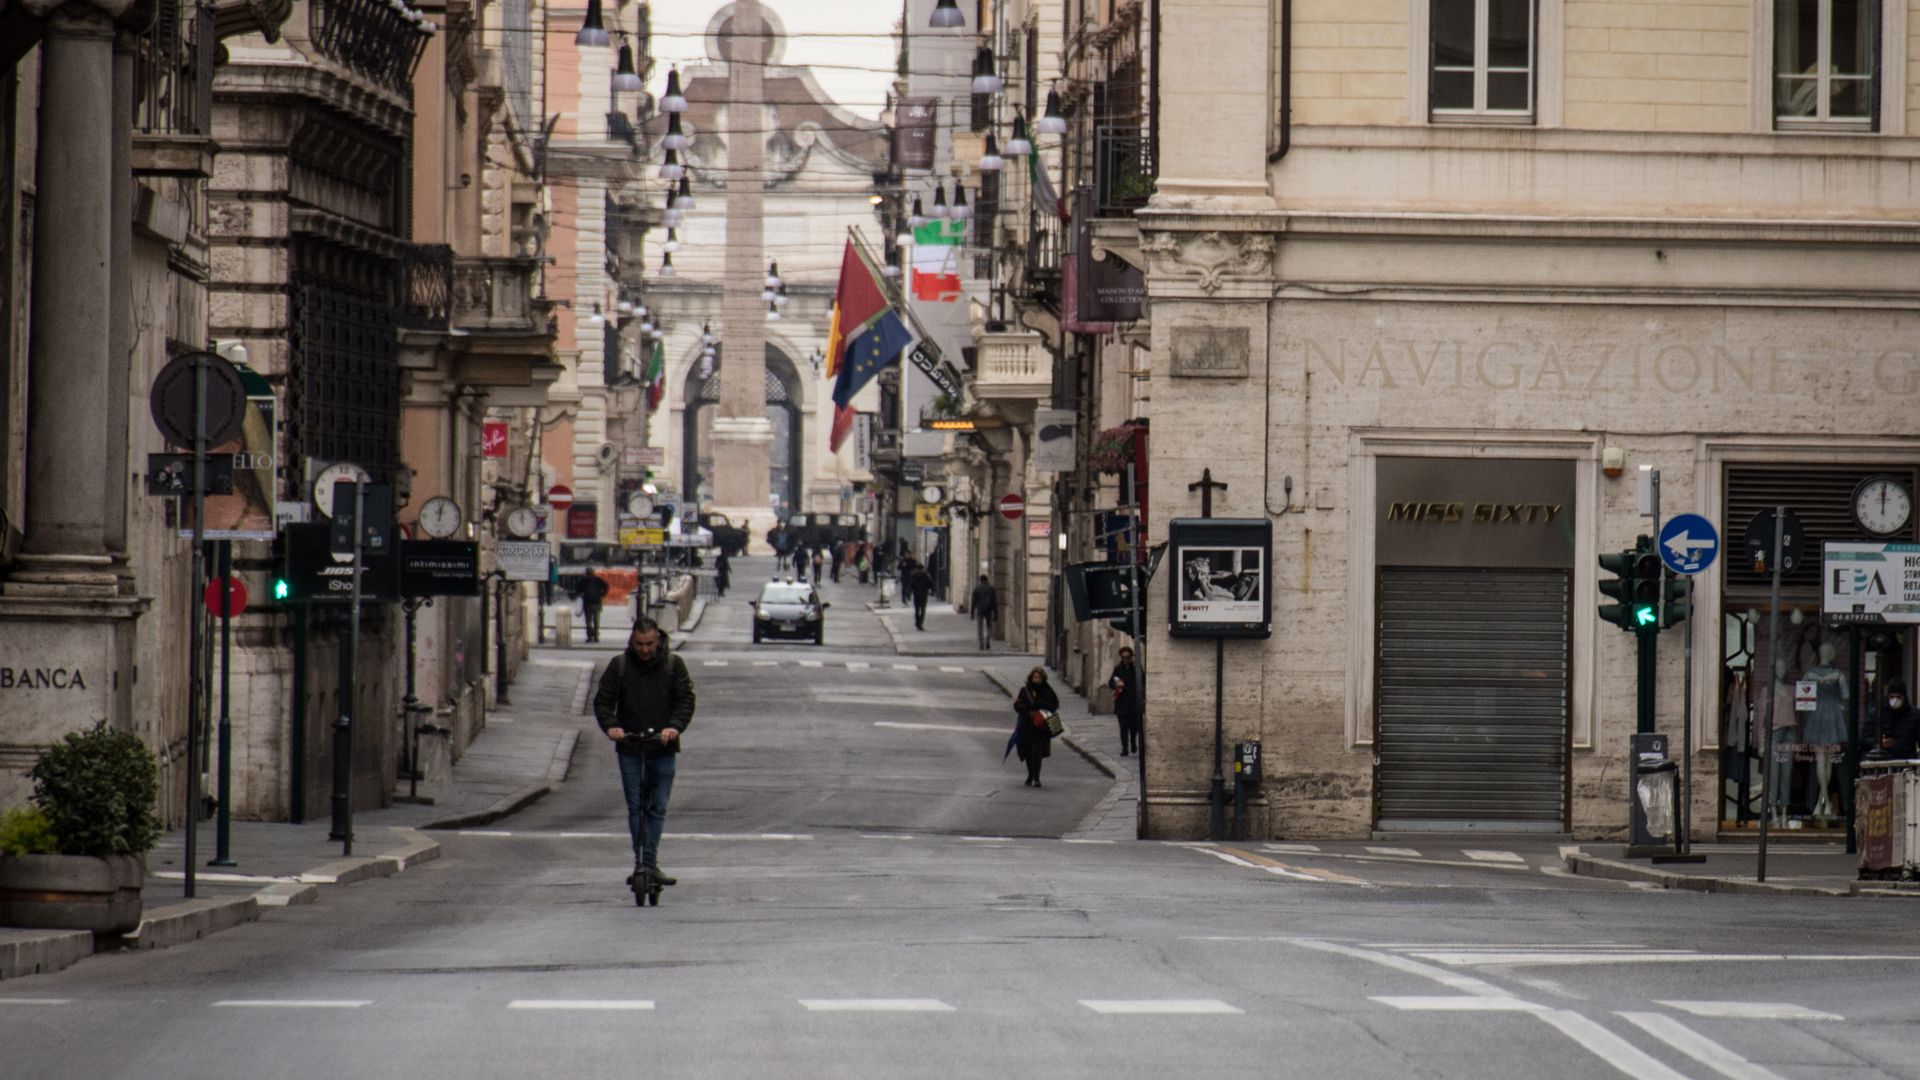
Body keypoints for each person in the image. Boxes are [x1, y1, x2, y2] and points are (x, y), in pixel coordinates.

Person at [593, 618, 695, 889]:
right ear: (632, 641)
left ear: (658, 640)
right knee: (636, 806)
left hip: (662, 747)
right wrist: (612, 726)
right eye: (640, 644)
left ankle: (649, 861)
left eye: (650, 644)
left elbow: (685, 700)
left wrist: (674, 727)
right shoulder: (620, 666)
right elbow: (603, 701)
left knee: (657, 807)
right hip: (631, 746)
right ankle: (641, 861)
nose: (645, 650)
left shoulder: (673, 665)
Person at [1008, 667, 1060, 787]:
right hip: (1026, 726)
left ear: (1043, 678)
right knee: (1027, 752)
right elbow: (1017, 705)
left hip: (1040, 727)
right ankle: (1030, 774)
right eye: (1035, 677)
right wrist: (1027, 711)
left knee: (1037, 752)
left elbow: (1054, 704)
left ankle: (1036, 777)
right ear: (1031, 678)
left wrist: (1040, 708)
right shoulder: (1025, 690)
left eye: (1039, 677)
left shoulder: (1047, 690)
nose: (1037, 680)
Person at [1872, 679, 1919, 760]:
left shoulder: (1914, 715)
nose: (1895, 700)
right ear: (1888, 696)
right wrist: (1879, 742)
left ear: (1904, 697)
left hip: (1905, 761)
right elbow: (1865, 739)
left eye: (1898, 697)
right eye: (1892, 697)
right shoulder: (1877, 713)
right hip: (1883, 760)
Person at [1109, 646, 1143, 756]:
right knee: (1123, 727)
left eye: (1128, 657)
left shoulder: (1137, 669)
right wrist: (1116, 684)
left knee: (1134, 727)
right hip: (1122, 703)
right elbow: (1111, 682)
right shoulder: (1118, 669)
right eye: (1123, 657)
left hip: (1134, 703)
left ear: (1131, 657)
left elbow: (1143, 681)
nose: (1126, 659)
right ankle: (1125, 748)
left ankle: (1133, 741)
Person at [578, 566, 610, 643]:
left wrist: (581, 594)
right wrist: (602, 595)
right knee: (596, 622)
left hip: (588, 603)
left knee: (589, 622)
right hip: (597, 603)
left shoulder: (584, 581)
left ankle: (590, 636)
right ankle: (596, 636)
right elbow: (607, 586)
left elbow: (578, 588)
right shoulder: (598, 580)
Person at [969, 574, 998, 651]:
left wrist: (972, 613)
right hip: (989, 610)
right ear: (987, 580)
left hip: (980, 611)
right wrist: (996, 613)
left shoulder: (976, 589)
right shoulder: (991, 589)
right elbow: (995, 602)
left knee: (980, 627)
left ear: (980, 581)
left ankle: (981, 643)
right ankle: (988, 640)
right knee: (989, 627)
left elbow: (973, 602)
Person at [906, 558, 934, 630]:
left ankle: (917, 621)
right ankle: (920, 623)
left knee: (917, 609)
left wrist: (908, 594)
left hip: (916, 594)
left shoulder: (913, 575)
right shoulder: (926, 575)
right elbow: (930, 584)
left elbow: (910, 585)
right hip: (924, 594)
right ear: (922, 568)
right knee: (923, 610)